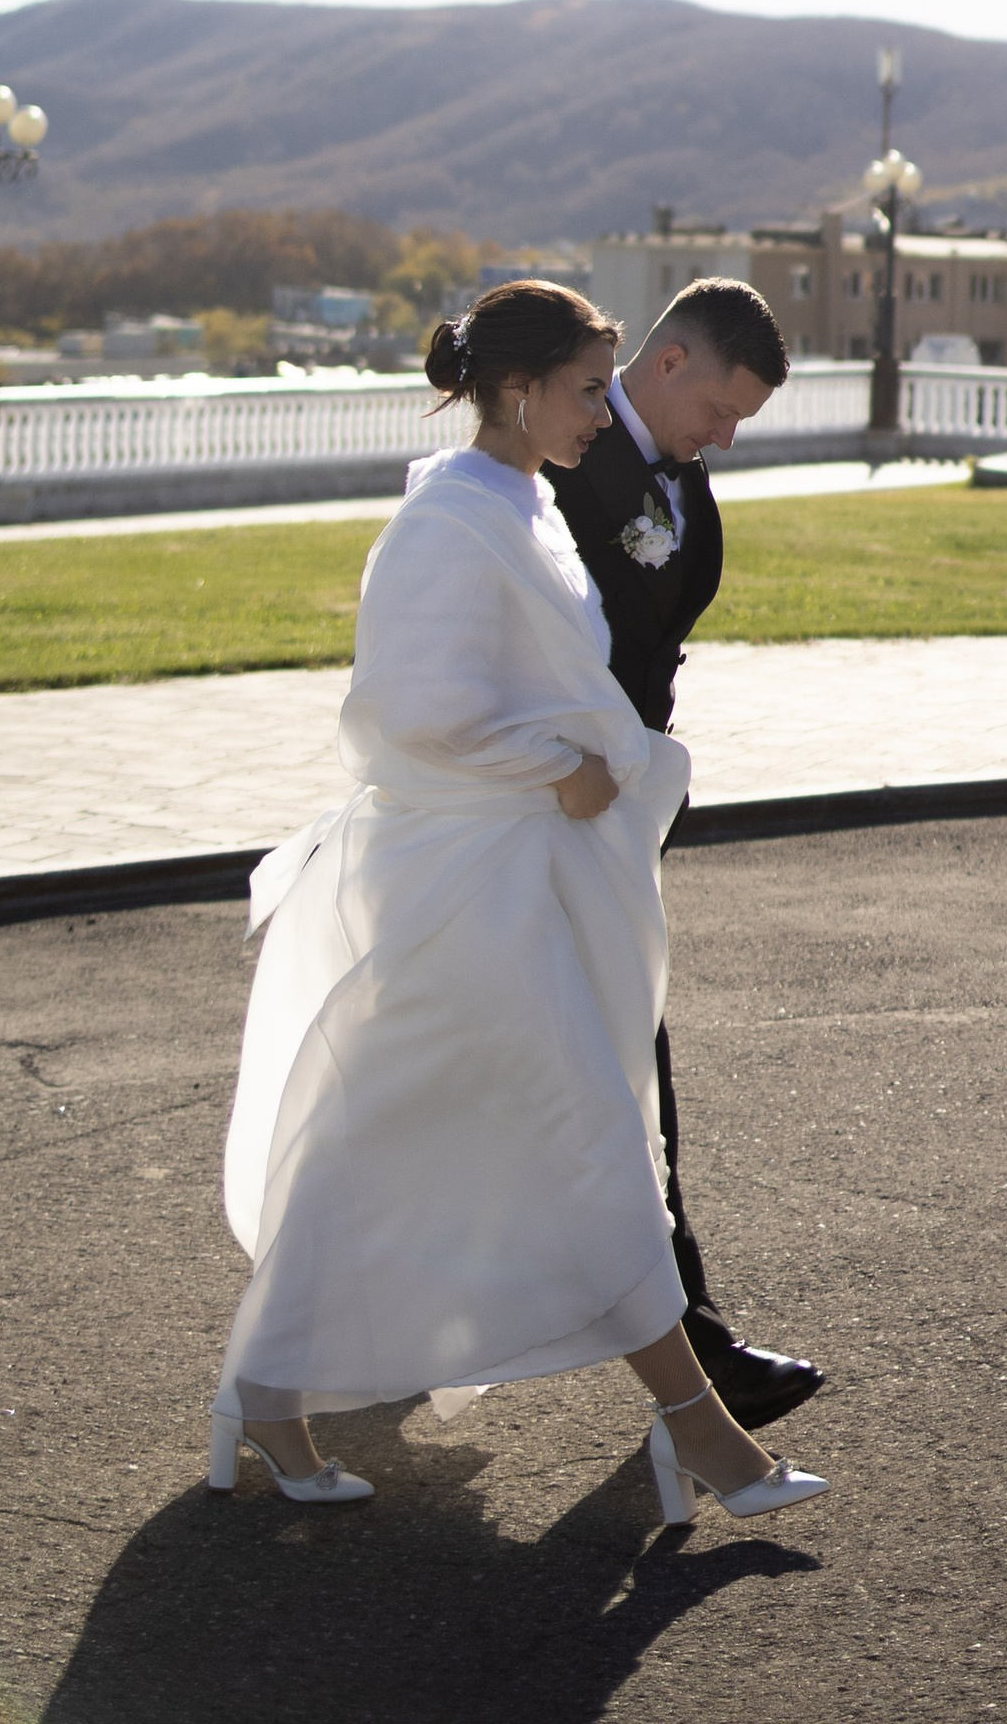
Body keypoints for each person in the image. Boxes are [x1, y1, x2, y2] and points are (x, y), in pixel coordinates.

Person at [208, 278, 827, 1531]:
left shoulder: (527, 501)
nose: (607, 412)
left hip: (531, 875)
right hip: (470, 885)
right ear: (511, 390)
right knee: (594, 1134)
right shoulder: (449, 517)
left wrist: (597, 767)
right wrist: (566, 768)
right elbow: (408, 715)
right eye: (591, 388)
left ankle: (265, 1392)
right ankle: (703, 1438)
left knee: (382, 1134)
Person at [548, 274, 824, 1428]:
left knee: (575, 1073)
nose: (724, 438)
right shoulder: (557, 461)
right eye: (720, 410)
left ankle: (355, 1307)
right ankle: (696, 1358)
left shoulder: (682, 480)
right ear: (668, 363)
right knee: (620, 1079)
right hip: (548, 819)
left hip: (617, 818)